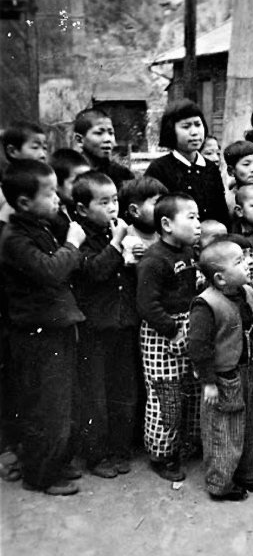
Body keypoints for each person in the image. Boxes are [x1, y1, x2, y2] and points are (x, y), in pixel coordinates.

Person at [0, 159, 86, 495]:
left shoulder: (41, 226)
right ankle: (41, 475)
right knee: (44, 407)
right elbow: (51, 271)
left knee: (61, 404)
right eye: (50, 194)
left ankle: (58, 462)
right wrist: (74, 244)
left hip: (56, 328)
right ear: (23, 203)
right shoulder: (13, 238)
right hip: (36, 334)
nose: (58, 201)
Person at [189, 240, 253, 501]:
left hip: (250, 370)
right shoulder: (206, 304)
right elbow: (198, 347)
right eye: (238, 261)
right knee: (225, 431)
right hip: (224, 378)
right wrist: (208, 382)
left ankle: (251, 472)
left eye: (245, 256)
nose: (247, 261)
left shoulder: (247, 291)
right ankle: (220, 483)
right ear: (220, 279)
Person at [72, 171, 139, 478]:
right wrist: (116, 244)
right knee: (95, 395)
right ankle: (96, 455)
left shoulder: (117, 232)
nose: (113, 208)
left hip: (123, 324)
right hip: (95, 328)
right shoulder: (80, 236)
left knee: (123, 389)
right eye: (104, 202)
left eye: (115, 201)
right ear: (83, 209)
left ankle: (119, 448)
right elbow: (94, 271)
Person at [137, 193, 203, 482]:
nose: (198, 224)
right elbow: (147, 305)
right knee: (167, 394)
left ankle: (184, 445)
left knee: (190, 388)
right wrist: (172, 330)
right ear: (166, 224)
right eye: (191, 217)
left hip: (186, 326)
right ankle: (161, 454)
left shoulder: (188, 252)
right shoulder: (154, 259)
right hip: (161, 333)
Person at [145, 99, 229, 227]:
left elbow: (221, 212)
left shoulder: (210, 168)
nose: (194, 132)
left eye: (198, 124)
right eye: (186, 126)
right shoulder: (159, 168)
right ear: (171, 131)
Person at [0, 121, 48, 229]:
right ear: (13, 151)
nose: (43, 155)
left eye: (45, 148)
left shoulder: (43, 180)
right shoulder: (7, 189)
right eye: (35, 147)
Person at [73, 108, 134, 189]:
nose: (107, 139)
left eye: (111, 133)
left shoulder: (123, 174)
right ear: (80, 140)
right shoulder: (71, 174)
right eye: (99, 133)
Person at [48, 148, 90, 244]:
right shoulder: (52, 219)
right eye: (76, 182)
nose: (83, 187)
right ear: (57, 184)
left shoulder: (83, 209)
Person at [119, 176, 168, 253]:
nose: (163, 208)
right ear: (134, 211)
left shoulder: (167, 234)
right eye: (156, 203)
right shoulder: (123, 238)